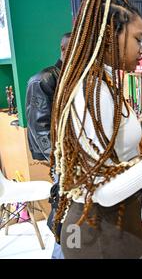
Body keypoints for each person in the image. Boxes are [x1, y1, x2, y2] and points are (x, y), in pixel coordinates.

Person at [50, 0, 142, 259]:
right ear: (110, 35)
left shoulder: (103, 83)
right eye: (138, 39)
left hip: (113, 228)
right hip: (100, 236)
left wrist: (139, 146)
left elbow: (107, 153)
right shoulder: (92, 90)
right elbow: (101, 192)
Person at [25, 32, 71, 259]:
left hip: (72, 161)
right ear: (64, 50)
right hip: (65, 164)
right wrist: (61, 161)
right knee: (67, 217)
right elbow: (39, 127)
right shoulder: (44, 79)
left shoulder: (70, 77)